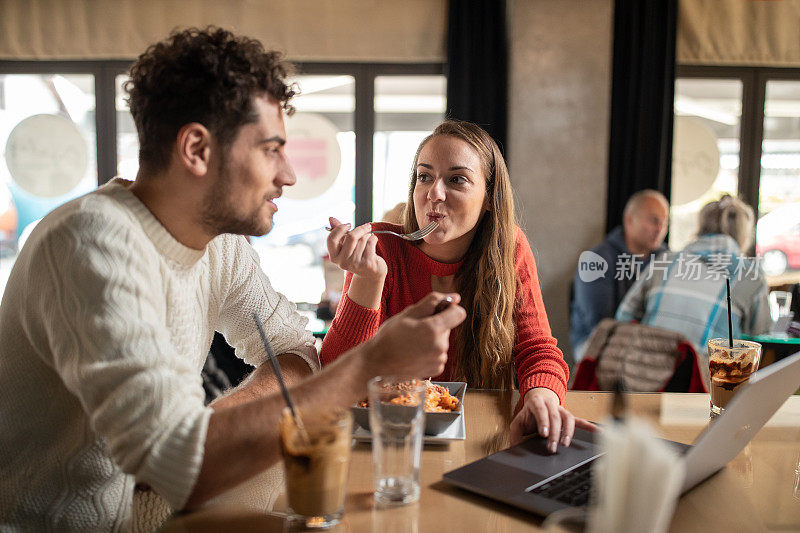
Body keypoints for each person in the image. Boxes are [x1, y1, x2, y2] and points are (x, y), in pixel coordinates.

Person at [0, 27, 466, 531]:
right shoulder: (91, 244)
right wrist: (367, 366)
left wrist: (211, 427)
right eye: (271, 149)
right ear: (196, 149)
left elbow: (297, 349)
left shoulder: (218, 242)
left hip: (151, 510)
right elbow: (186, 468)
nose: (289, 175)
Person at [320, 120, 594, 452]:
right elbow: (335, 376)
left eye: (457, 179)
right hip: (385, 440)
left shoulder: (510, 248)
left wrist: (542, 396)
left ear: (490, 198)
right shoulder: (379, 248)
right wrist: (369, 279)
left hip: (477, 439)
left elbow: (537, 349)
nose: (434, 193)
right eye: (424, 177)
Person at [616, 194, 771, 357]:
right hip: (706, 378)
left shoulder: (665, 261)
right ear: (744, 235)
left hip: (645, 372)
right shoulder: (751, 275)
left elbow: (624, 315)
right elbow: (760, 338)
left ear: (701, 227)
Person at [570, 189, 669, 361]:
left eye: (665, 222)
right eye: (654, 221)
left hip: (647, 341)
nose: (660, 228)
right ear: (629, 220)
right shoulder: (596, 261)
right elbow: (599, 324)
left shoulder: (667, 258)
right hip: (596, 341)